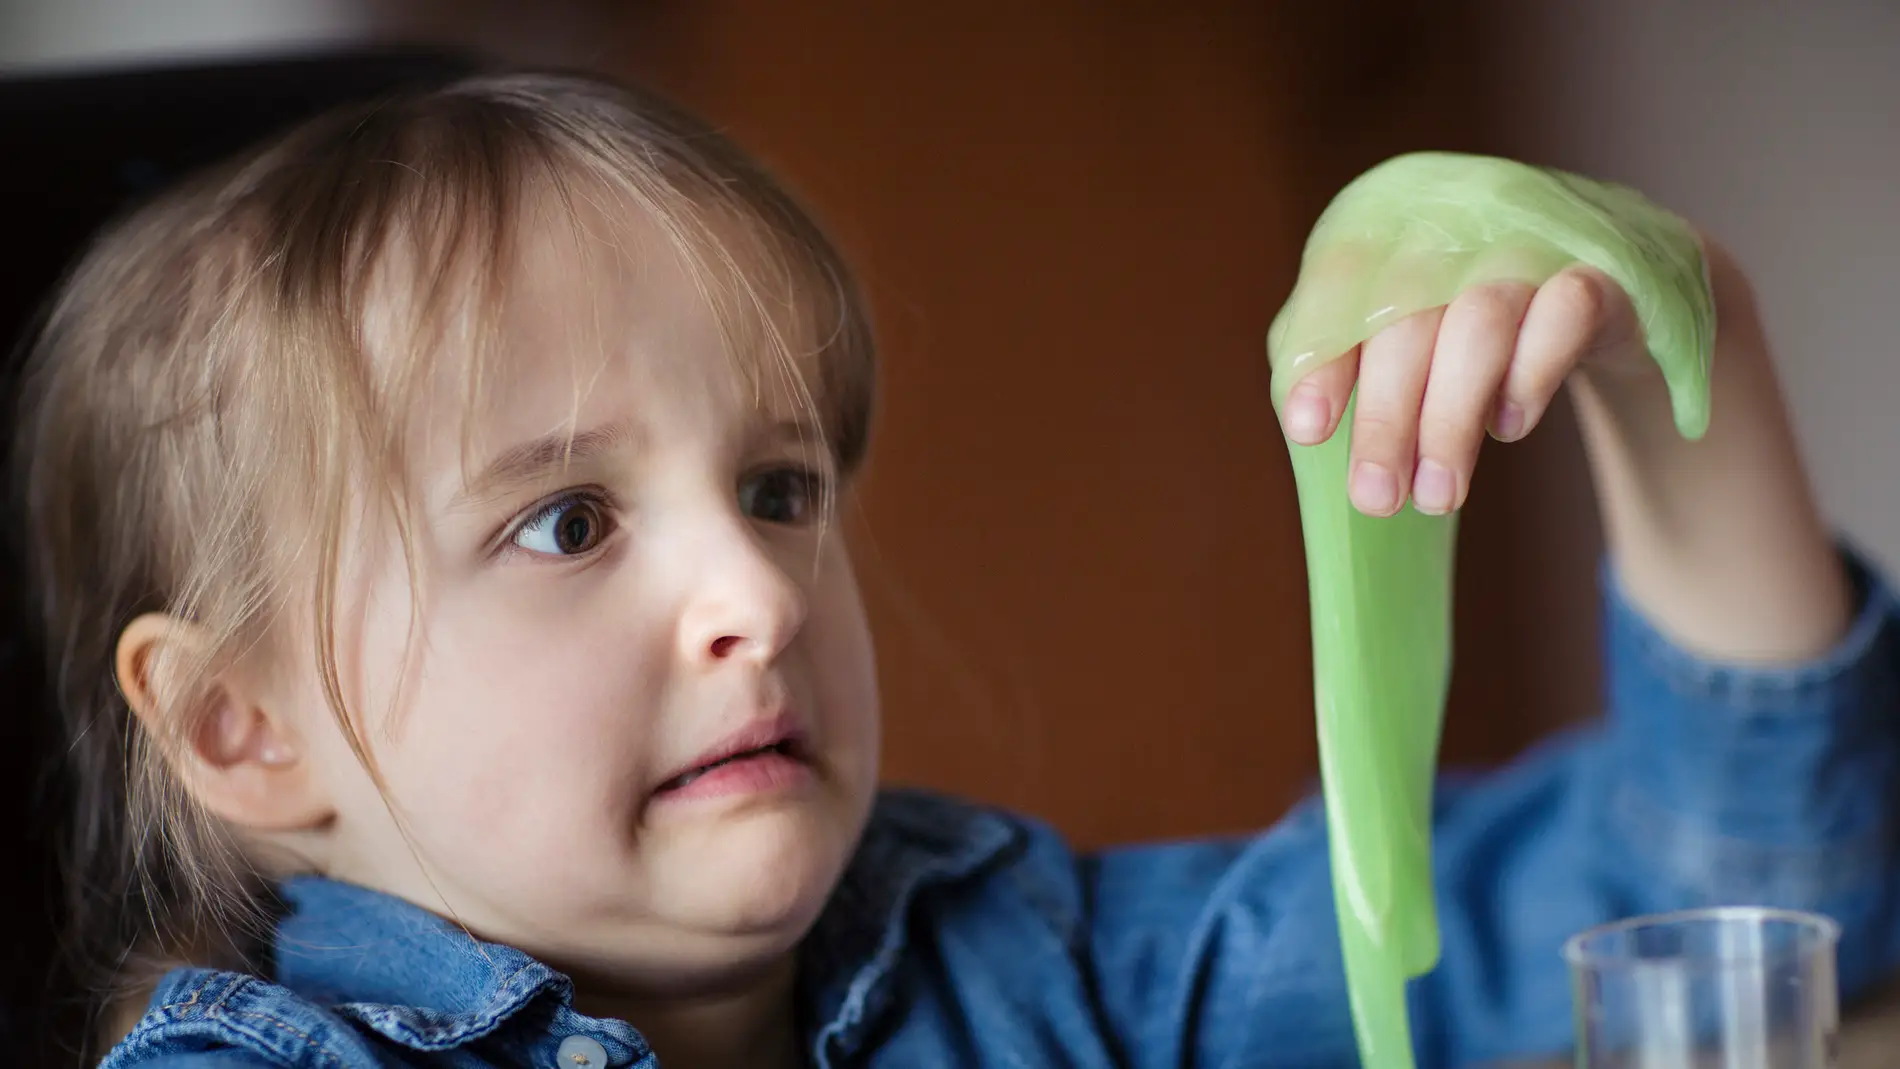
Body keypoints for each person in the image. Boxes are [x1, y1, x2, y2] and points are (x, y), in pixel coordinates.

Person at [13, 67, 1898, 1069]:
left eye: (777, 483)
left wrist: (1679, 358)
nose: (753, 594)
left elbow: (1720, 913)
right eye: (567, 521)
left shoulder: (1033, 964)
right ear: (244, 728)